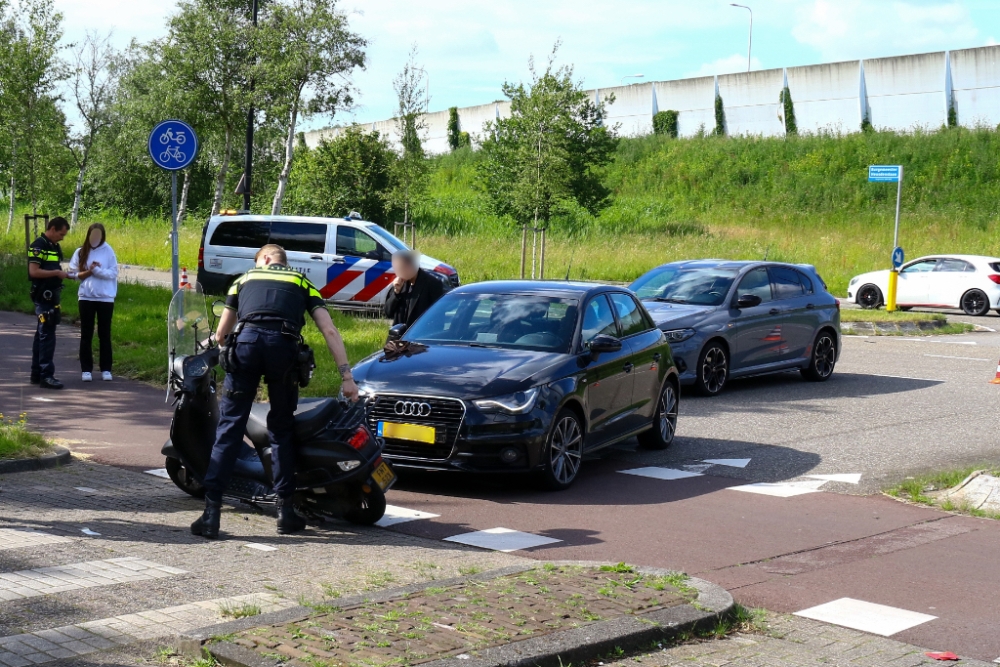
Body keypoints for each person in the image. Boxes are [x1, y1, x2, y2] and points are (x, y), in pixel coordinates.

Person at [191, 244, 360, 540]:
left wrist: (204, 349)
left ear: (265, 260)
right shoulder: (301, 282)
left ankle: (211, 514)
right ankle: (285, 512)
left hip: (245, 346)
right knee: (280, 429)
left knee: (229, 427)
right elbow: (330, 330)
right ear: (284, 262)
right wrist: (347, 377)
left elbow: (221, 334)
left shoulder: (243, 280)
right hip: (283, 349)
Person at [69, 223, 119, 382]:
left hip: (105, 298)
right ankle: (86, 370)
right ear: (89, 235)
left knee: (104, 333)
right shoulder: (80, 252)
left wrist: (97, 271)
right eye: (93, 235)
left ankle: (106, 369)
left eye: (99, 235)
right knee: (86, 333)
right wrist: (89, 271)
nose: (96, 238)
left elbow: (113, 273)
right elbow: (73, 274)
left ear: (102, 236)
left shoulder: (108, 251)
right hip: (86, 297)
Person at [27, 217, 72, 390]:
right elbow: (34, 271)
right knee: (47, 335)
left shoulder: (53, 246)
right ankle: (46, 375)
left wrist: (62, 273)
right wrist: (55, 273)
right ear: (52, 229)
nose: (62, 237)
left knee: (42, 334)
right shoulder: (39, 245)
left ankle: (37, 373)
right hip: (43, 295)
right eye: (61, 234)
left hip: (52, 295)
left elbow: (53, 268)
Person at [384, 250, 444, 327]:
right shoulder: (400, 283)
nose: (399, 272)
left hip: (419, 335)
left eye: (402, 268)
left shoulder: (432, 283)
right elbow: (388, 312)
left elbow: (438, 316)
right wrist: (396, 292)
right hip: (399, 336)